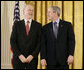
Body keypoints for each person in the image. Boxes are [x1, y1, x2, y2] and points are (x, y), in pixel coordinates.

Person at [10, 5, 42, 69]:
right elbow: (13, 41)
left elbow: (40, 42)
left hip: (32, 60)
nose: (31, 12)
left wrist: (32, 55)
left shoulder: (38, 25)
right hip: (18, 59)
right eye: (29, 10)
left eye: (32, 10)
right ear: (24, 11)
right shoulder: (17, 25)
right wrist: (20, 55)